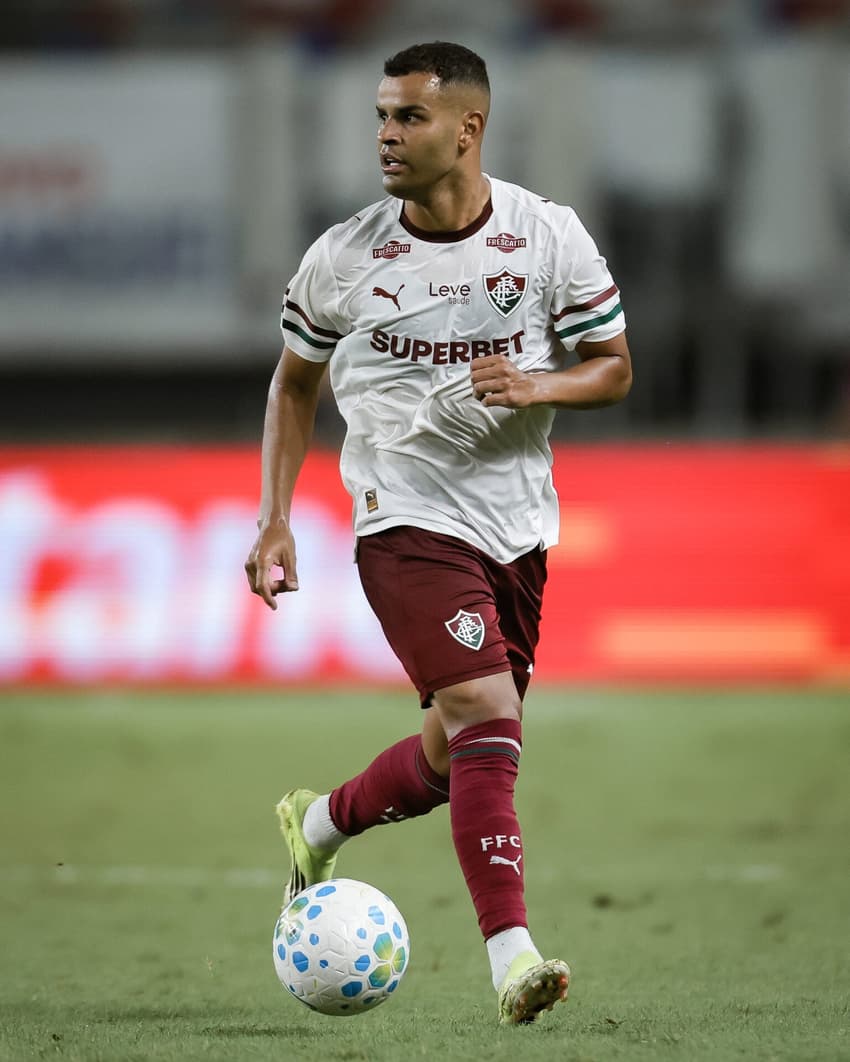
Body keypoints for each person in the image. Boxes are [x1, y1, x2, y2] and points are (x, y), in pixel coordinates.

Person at [245, 40, 632, 1025]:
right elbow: (294, 384)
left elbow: (614, 367)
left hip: (514, 529)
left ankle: (323, 819)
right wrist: (275, 517)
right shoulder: (344, 257)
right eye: (380, 115)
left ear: (469, 127)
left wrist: (539, 383)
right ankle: (513, 955)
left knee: (451, 752)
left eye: (408, 117)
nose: (385, 134)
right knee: (479, 706)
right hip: (401, 519)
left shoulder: (549, 239)